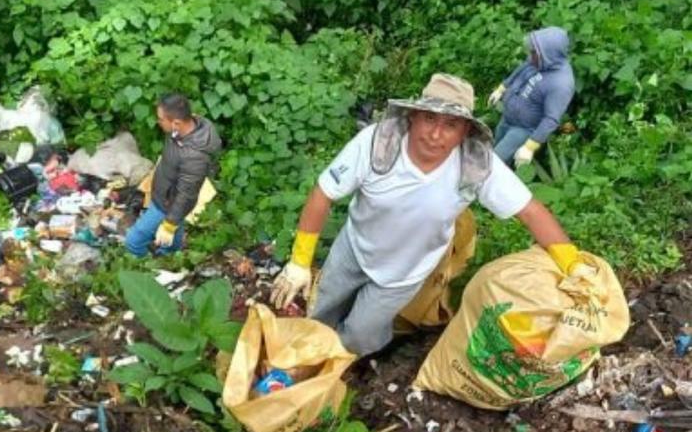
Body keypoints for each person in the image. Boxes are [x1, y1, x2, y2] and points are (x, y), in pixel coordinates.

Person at [270, 73, 588, 356]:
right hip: (354, 247)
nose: (436, 134)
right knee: (321, 313)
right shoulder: (378, 143)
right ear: (413, 117)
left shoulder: (475, 163)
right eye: (430, 119)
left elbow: (530, 211)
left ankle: (354, 365)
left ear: (464, 131)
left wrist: (572, 263)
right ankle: (306, 359)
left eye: (450, 125)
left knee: (358, 336)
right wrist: (299, 261)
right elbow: (323, 192)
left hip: (405, 270)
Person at [125, 93, 221, 257]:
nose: (158, 122)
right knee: (170, 245)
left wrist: (169, 224)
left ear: (176, 123)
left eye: (161, 119)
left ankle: (142, 267)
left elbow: (186, 194)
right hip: (165, 193)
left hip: (167, 204)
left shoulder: (194, 157)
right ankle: (169, 259)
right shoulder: (184, 128)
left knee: (133, 241)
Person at [487, 26, 575, 167]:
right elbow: (521, 69)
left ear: (549, 53)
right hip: (507, 118)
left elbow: (551, 119)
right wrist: (502, 88)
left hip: (523, 129)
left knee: (494, 163)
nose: (530, 56)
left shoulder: (561, 84)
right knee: (492, 152)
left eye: (534, 52)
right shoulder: (540, 60)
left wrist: (530, 146)